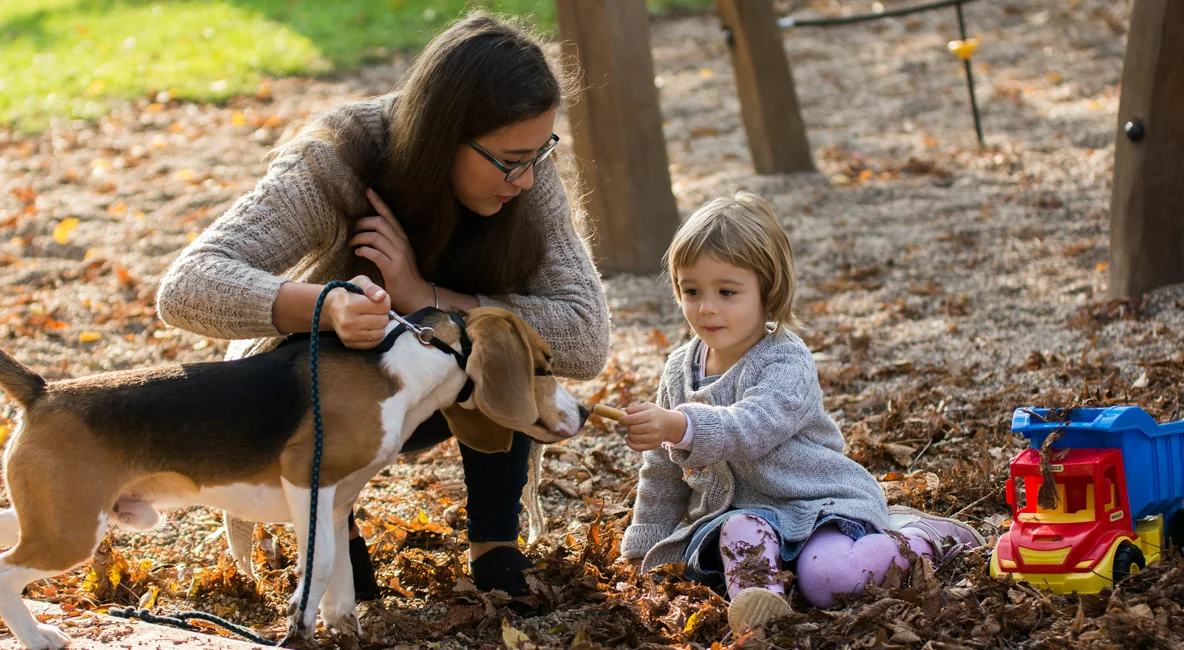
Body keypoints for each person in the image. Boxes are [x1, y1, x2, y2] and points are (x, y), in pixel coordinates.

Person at [157, 13, 609, 602]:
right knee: (347, 344)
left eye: (538, 153)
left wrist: (424, 297)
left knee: (502, 340)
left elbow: (585, 335)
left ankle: (495, 542)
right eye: (510, 160)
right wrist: (327, 307)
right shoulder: (339, 160)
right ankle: (332, 525)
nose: (525, 179)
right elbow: (186, 285)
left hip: (445, 390)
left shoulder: (528, 173)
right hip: (322, 388)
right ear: (446, 136)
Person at [617, 192, 983, 635]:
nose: (707, 306)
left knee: (829, 580)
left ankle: (923, 537)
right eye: (691, 290)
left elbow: (753, 426)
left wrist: (680, 425)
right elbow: (661, 470)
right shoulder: (679, 369)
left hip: (813, 504)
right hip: (739, 518)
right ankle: (764, 610)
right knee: (740, 530)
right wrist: (643, 548)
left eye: (727, 292)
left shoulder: (785, 360)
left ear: (768, 291)